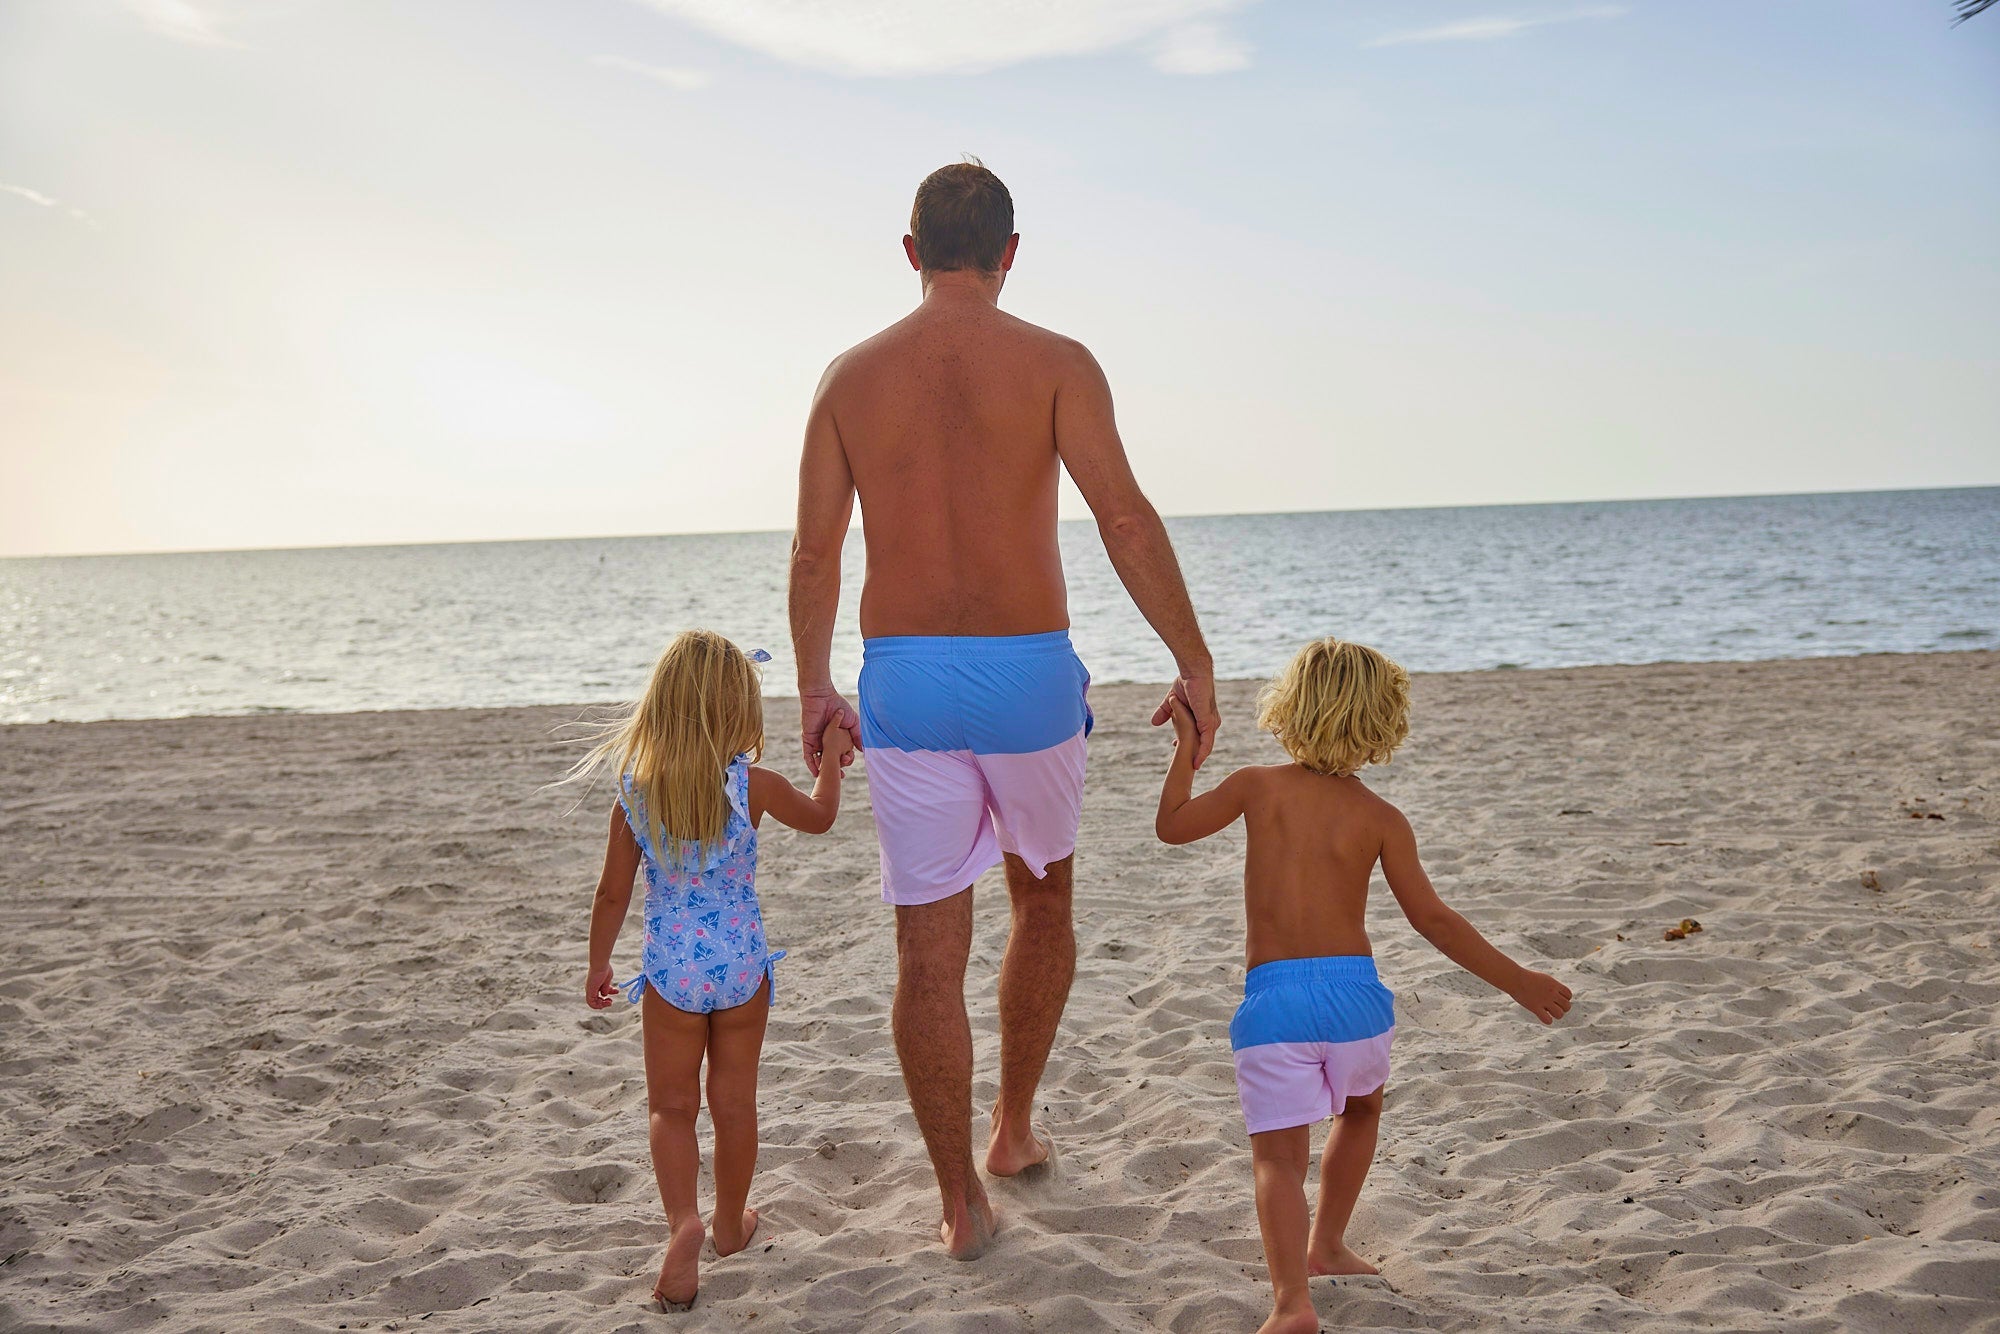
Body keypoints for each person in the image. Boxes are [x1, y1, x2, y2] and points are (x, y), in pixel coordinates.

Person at [788, 159, 1217, 1258]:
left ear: (909, 250)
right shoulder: (1057, 364)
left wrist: (814, 687)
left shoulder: (848, 378)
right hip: (1027, 676)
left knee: (924, 950)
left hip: (906, 675)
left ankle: (956, 1205)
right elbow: (1121, 518)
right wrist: (1192, 656)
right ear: (1010, 252)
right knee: (1042, 898)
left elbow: (814, 553)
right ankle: (1012, 1126)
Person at [1155, 637, 1573, 1334]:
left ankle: (1292, 1301)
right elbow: (1434, 921)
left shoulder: (1256, 785)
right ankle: (1329, 1243)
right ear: (1382, 722)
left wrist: (1187, 745)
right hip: (1356, 999)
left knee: (1278, 1162)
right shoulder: (1382, 818)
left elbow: (1171, 828)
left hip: (1277, 1001)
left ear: (1288, 708)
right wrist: (1518, 981)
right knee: (1361, 1112)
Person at [575, 630, 851, 1309]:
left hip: (672, 970)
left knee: (672, 1109)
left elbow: (611, 894)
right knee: (734, 1105)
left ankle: (685, 1225)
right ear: (737, 711)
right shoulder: (752, 785)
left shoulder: (635, 795)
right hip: (741, 965)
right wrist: (835, 761)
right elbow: (819, 817)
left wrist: (598, 962)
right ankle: (730, 1224)